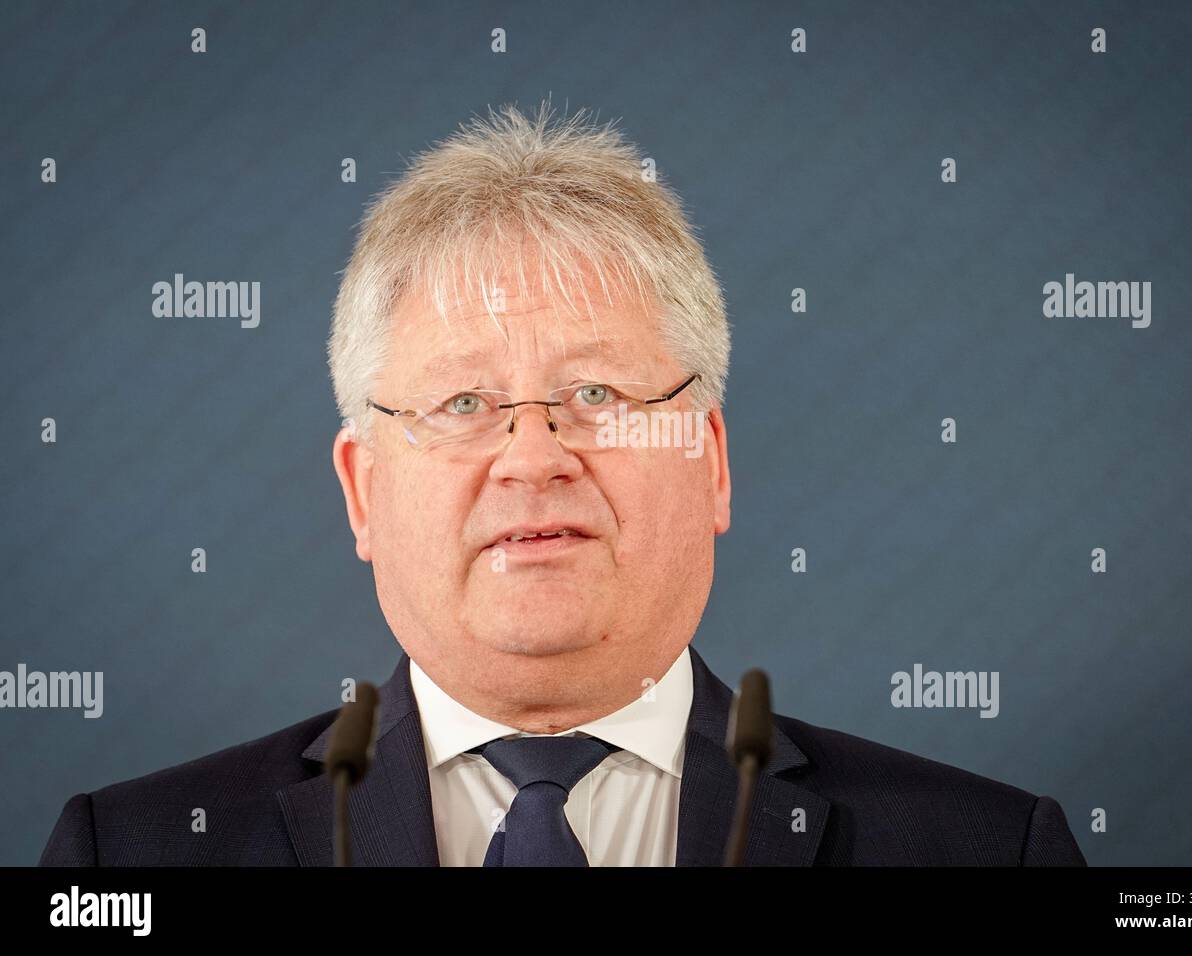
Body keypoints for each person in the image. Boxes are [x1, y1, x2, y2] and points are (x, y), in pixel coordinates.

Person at [40, 100, 1085, 866]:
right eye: (459, 405)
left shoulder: (986, 848)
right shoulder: (128, 856)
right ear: (361, 491)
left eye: (595, 391)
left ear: (711, 461)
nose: (533, 455)